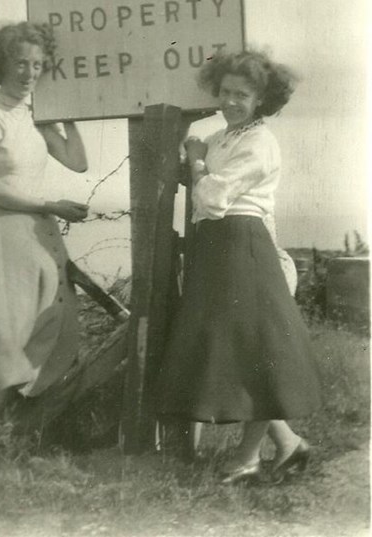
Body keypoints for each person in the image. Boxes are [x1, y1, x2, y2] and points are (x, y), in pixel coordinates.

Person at [157, 50, 321, 482]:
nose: (230, 100)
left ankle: (247, 459)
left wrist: (194, 161)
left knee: (258, 350)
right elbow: (194, 177)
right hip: (215, 249)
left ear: (261, 98)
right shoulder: (222, 138)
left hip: (242, 244)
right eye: (225, 92)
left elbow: (212, 196)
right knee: (239, 351)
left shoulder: (259, 142)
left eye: (242, 94)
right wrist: (194, 153)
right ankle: (288, 444)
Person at [0, 21, 89, 444]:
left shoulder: (36, 115)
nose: (29, 72)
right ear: (1, 63)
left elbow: (77, 162)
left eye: (37, 64)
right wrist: (50, 206)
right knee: (11, 331)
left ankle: (12, 424)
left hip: (42, 229)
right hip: (6, 229)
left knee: (51, 319)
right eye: (20, 62)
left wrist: (69, 118)